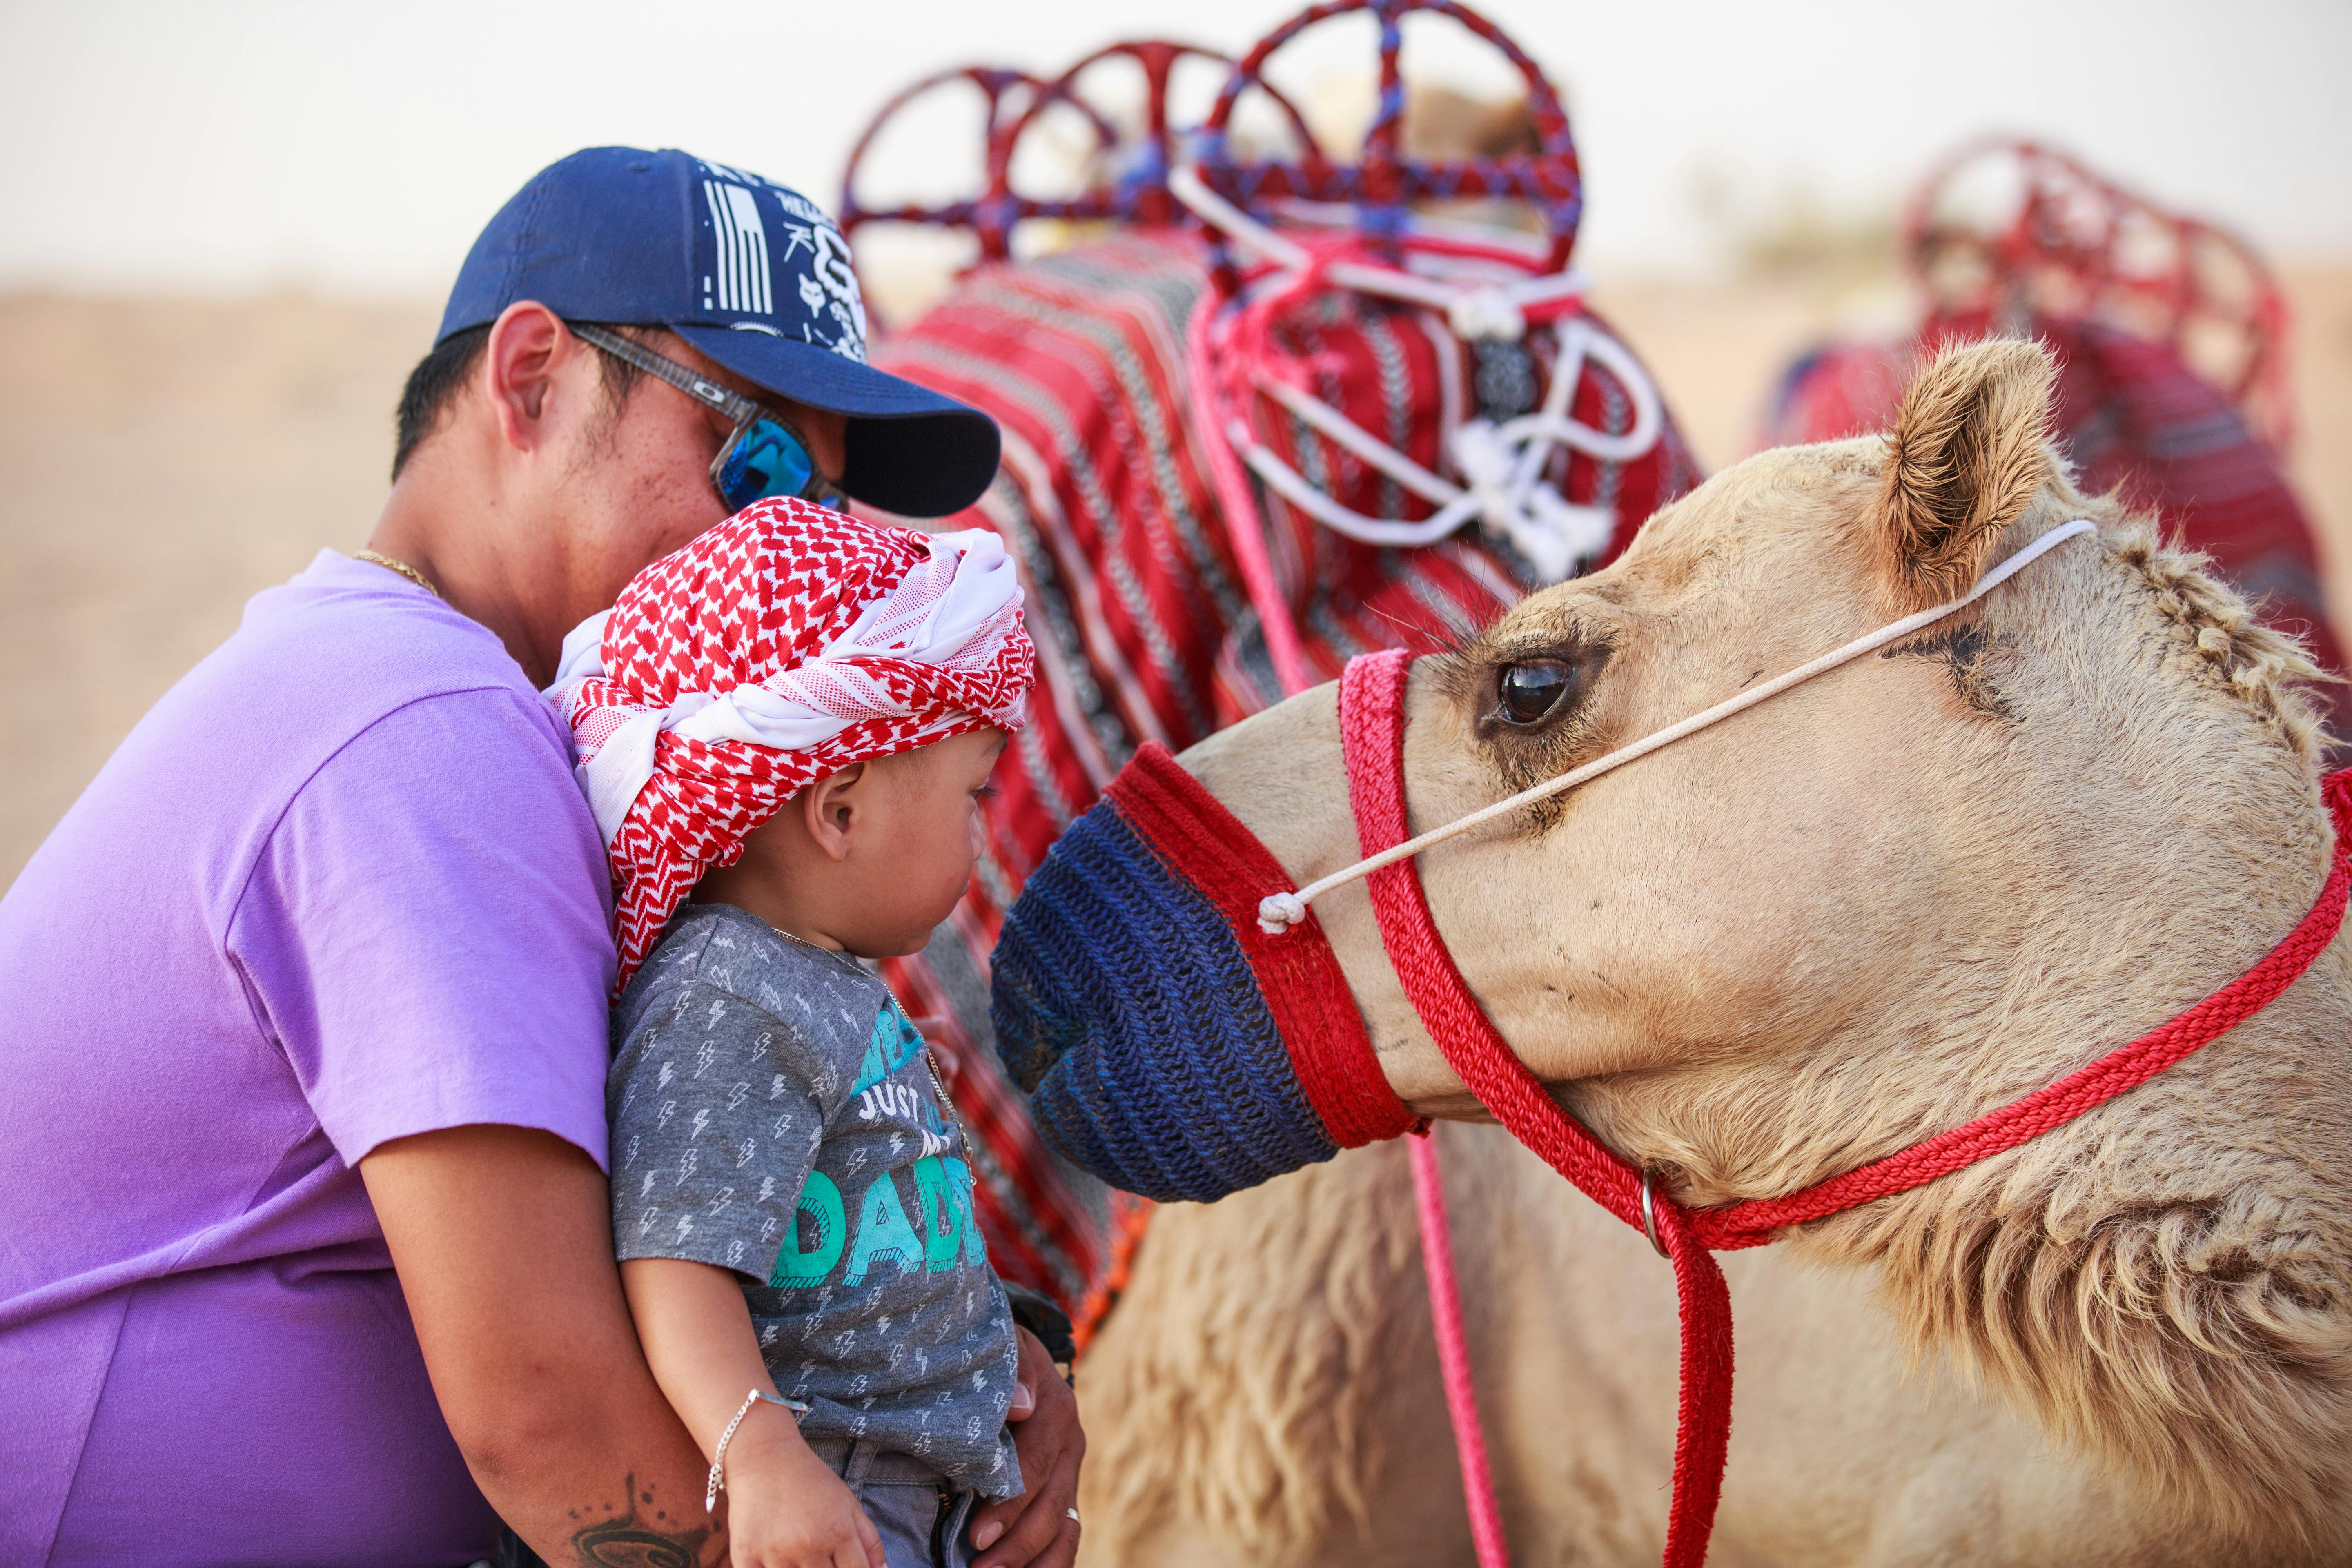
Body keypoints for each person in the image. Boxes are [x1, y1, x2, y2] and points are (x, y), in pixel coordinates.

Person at [0, 147, 1082, 1568]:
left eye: (823, 508)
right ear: (531, 382)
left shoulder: (458, 720)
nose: (787, 550)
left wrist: (967, 1363)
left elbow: (685, 1202)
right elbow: (548, 1410)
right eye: (759, 465)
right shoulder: (426, 732)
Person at [547, 496, 1039, 1568]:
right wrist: (762, 1456)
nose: (982, 832)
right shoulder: (727, 994)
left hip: (914, 1491)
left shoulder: (818, 981)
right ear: (840, 809)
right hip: (836, 1491)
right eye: (973, 794)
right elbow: (675, 1254)